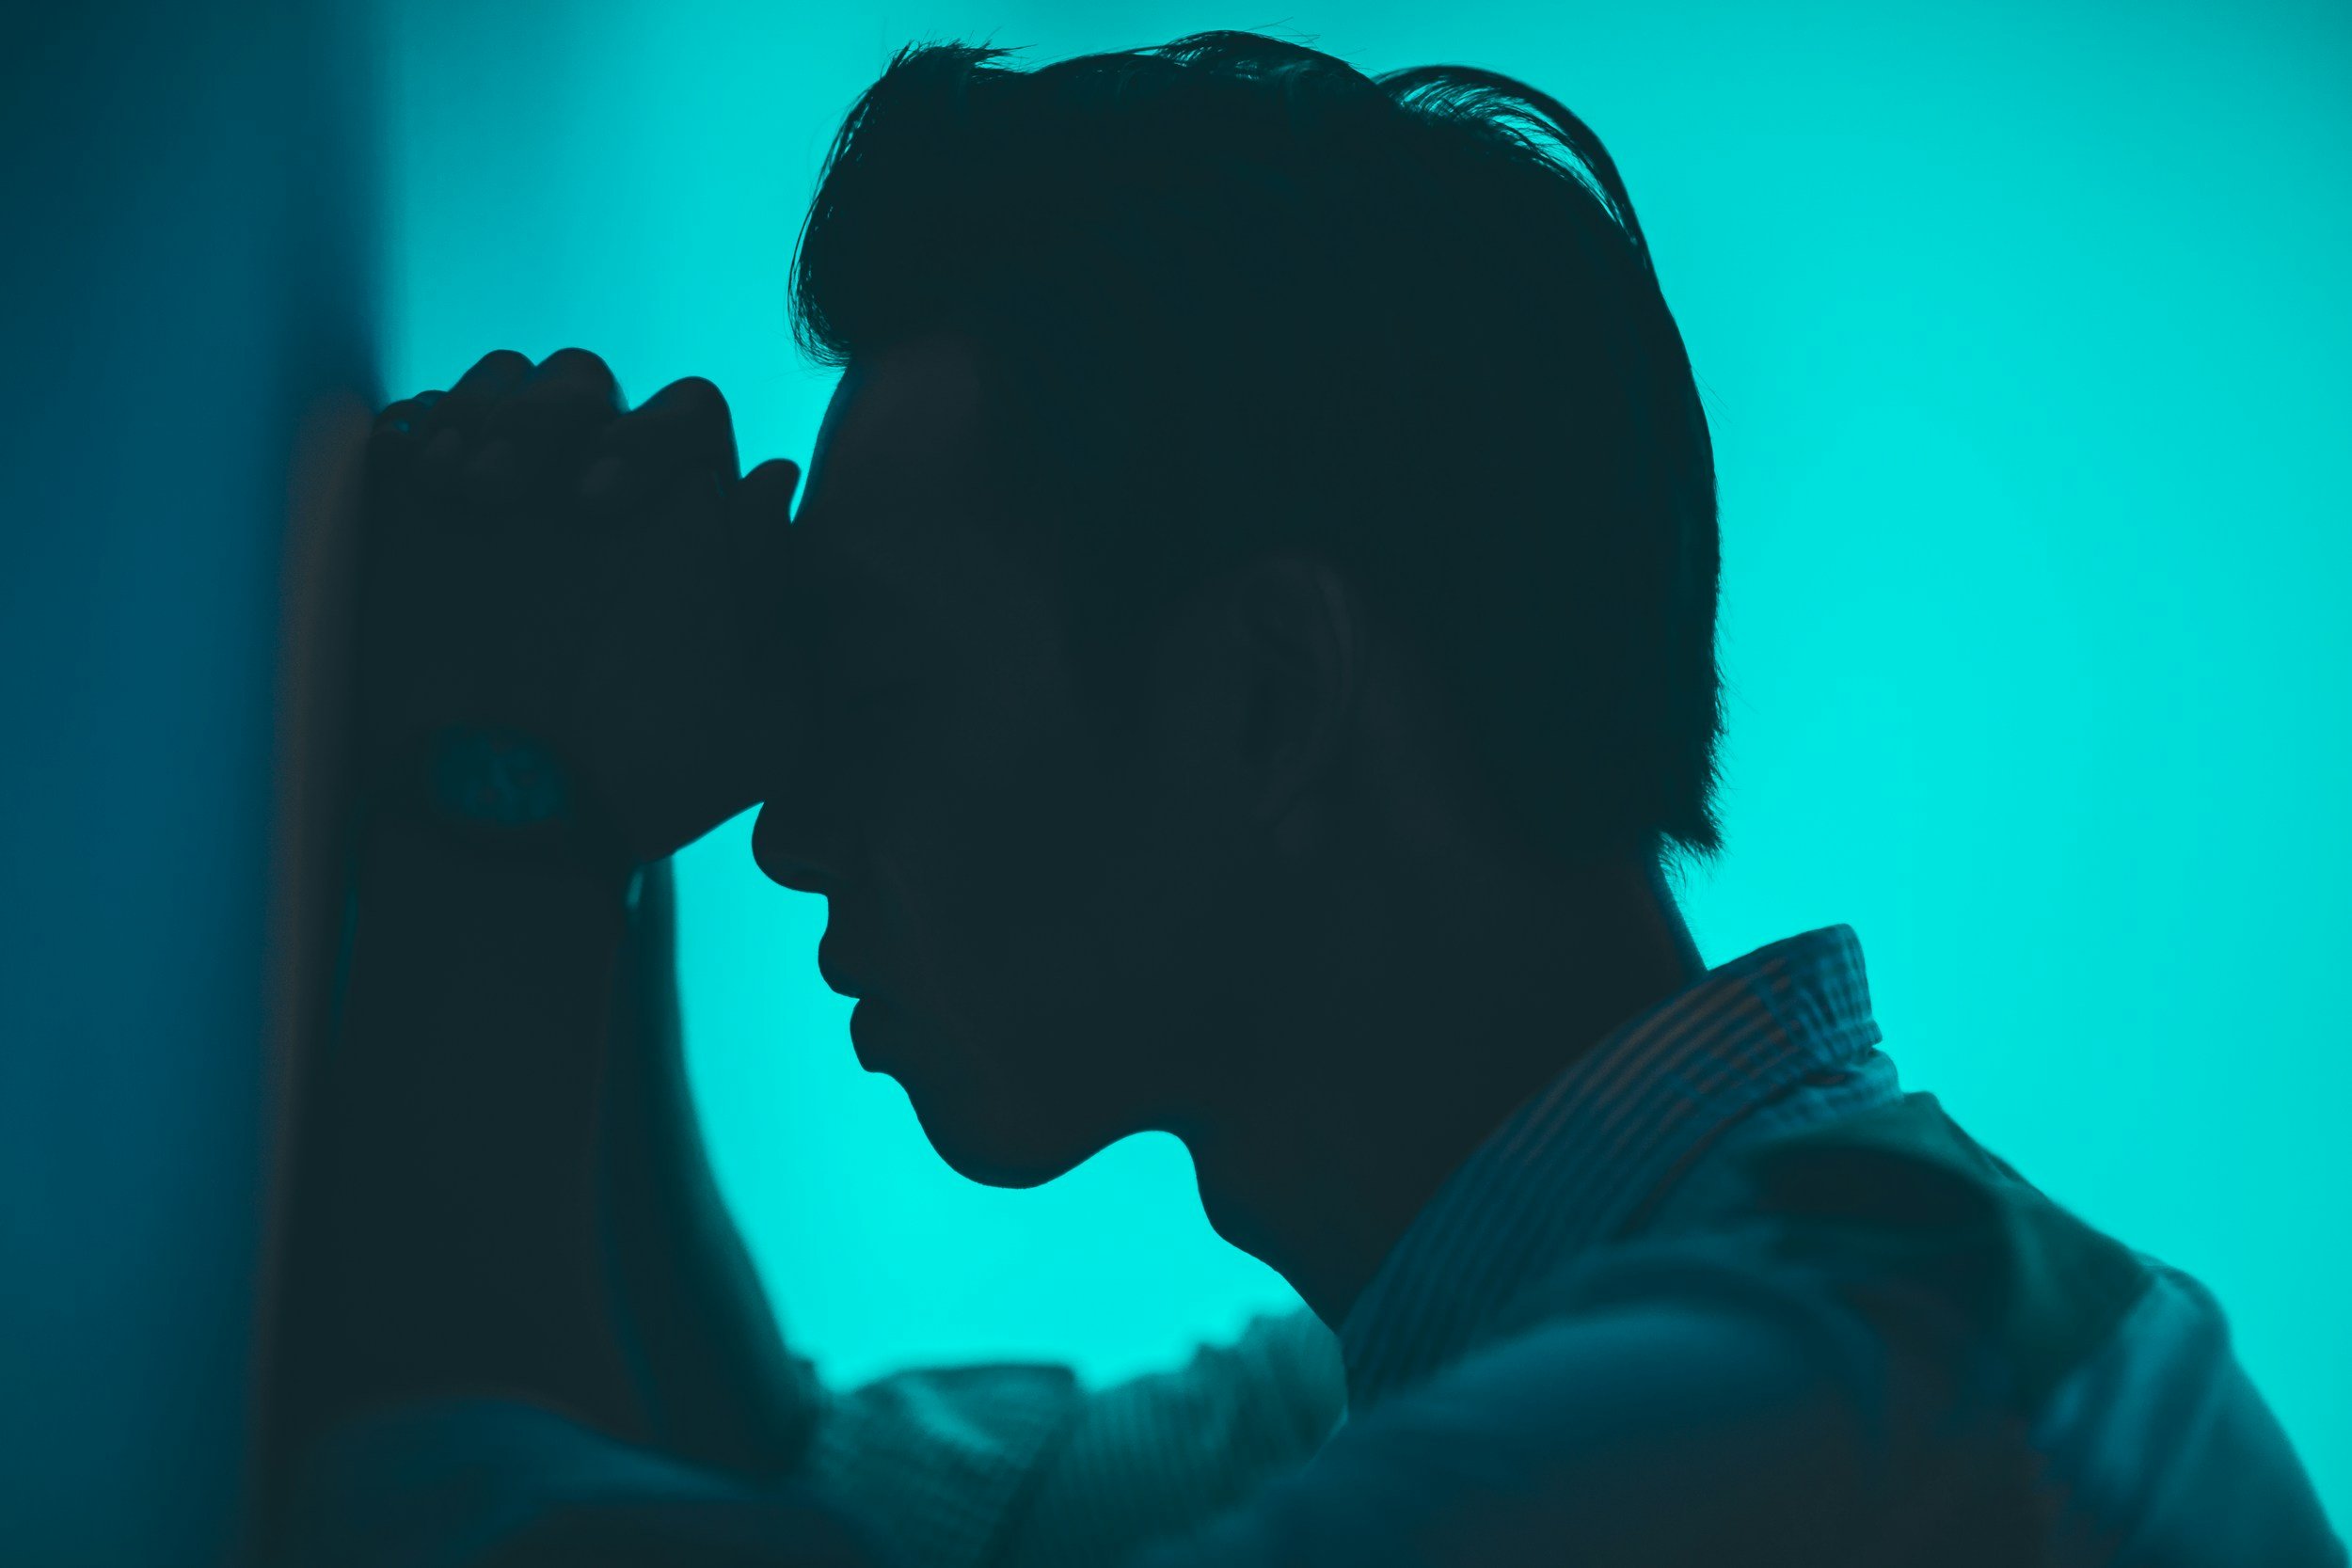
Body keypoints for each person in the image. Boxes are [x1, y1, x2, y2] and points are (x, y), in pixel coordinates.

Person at [263, 30, 2344, 1568]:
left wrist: (506, 804)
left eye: (869, 687)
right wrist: (585, 794)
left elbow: (432, 1524)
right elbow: (776, 1494)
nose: (789, 821)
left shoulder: (1801, 1429)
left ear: (1265, 697)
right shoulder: (1691, 1332)